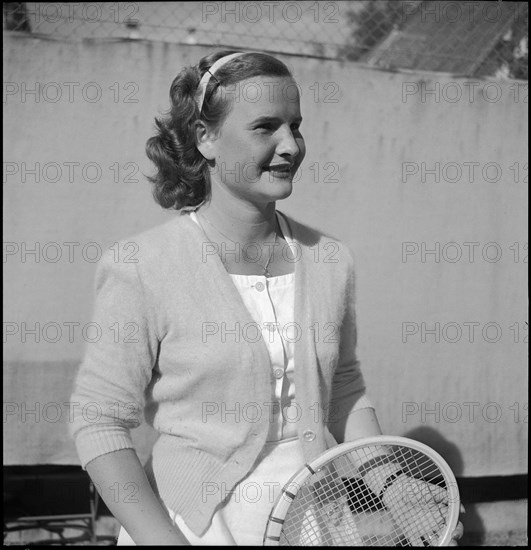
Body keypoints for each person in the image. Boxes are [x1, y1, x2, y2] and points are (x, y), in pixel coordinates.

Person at [69, 50, 463, 546]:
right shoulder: (141, 266)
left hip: (319, 524)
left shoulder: (329, 259)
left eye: (295, 126)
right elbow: (98, 423)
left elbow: (341, 389)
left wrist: (391, 484)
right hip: (194, 528)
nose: (290, 146)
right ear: (205, 137)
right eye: (265, 127)